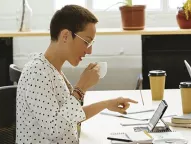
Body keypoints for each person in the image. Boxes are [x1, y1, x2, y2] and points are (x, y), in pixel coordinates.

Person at [16, 5, 138, 143]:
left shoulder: (52, 70)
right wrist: (81, 87)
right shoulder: (37, 73)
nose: (89, 51)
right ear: (66, 36)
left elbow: (68, 116)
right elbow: (55, 130)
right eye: (86, 42)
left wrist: (107, 104)